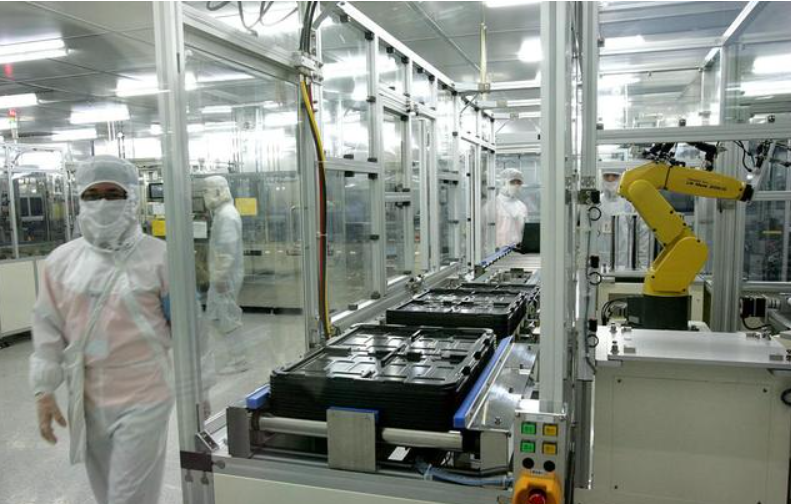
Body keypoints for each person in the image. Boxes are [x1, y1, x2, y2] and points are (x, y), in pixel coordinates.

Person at [30, 156, 173, 504]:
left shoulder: (160, 257)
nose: (103, 203)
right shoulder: (61, 261)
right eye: (92, 195)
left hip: (146, 393)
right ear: (79, 199)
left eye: (113, 193)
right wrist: (44, 391)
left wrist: (198, 387)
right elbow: (48, 327)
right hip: (88, 394)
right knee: (106, 493)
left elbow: (188, 327)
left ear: (132, 197)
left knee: (129, 496)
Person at [203, 176, 247, 374]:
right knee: (215, 315)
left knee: (227, 316)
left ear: (218, 191)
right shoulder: (221, 213)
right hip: (221, 275)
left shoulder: (227, 215)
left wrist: (220, 277)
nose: (205, 196)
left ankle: (239, 360)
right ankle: (234, 354)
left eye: (207, 191)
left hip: (226, 276)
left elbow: (227, 251)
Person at [598, 169, 638, 270]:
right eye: (606, 175)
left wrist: (642, 263)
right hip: (599, 258)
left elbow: (640, 233)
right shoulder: (596, 202)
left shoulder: (628, 203)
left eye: (614, 176)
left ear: (621, 178)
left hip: (623, 259)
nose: (610, 179)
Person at [495, 168, 529, 248]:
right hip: (497, 251)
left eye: (519, 182)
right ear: (503, 183)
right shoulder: (492, 205)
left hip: (518, 250)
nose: (516, 185)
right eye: (512, 182)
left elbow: (526, 232)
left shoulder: (522, 206)